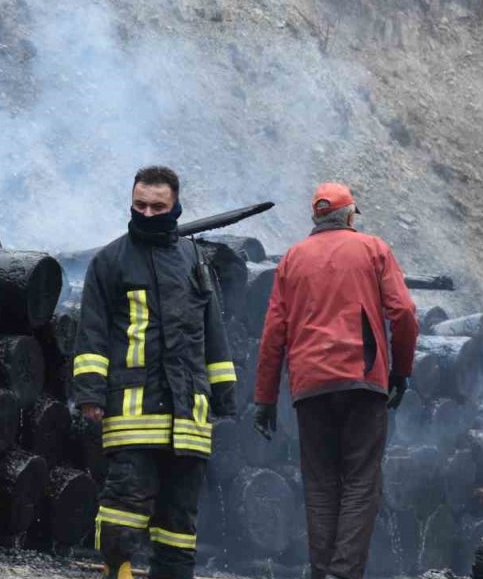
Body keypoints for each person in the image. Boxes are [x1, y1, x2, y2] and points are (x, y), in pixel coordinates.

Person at [72, 166, 237, 579]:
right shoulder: (110, 261)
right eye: (139, 205)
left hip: (189, 416)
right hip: (134, 412)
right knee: (124, 508)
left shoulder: (193, 259)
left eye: (157, 207)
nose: (147, 214)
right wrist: (90, 392)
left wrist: (225, 394)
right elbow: (91, 332)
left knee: (179, 525)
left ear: (175, 206)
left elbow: (212, 332)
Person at [252, 182, 419, 579]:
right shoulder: (373, 249)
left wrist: (265, 398)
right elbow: (405, 313)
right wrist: (401, 371)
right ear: (349, 215)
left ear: (316, 217)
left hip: (310, 388)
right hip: (363, 381)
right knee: (361, 482)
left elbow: (274, 331)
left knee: (321, 484)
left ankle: (322, 571)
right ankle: (342, 574)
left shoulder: (292, 259)